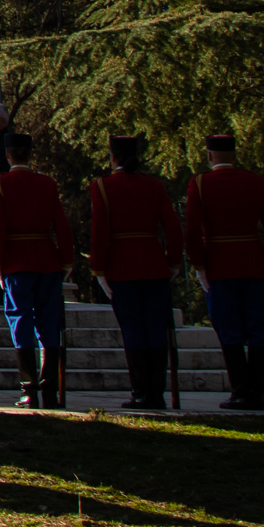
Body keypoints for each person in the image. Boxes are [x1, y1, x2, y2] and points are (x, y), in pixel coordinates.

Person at [183, 131, 264, 412]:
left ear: (209, 155)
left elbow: (192, 230)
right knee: (258, 329)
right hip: (253, 261)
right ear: (235, 154)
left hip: (219, 264)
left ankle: (241, 391)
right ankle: (260, 393)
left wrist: (200, 265)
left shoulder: (200, 184)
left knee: (229, 330)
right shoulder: (255, 181)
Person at [89, 134, 184, 410]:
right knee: (155, 329)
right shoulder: (154, 185)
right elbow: (173, 228)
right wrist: (173, 262)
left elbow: (99, 232)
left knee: (132, 329)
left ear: (112, 157)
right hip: (154, 263)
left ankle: (141, 391)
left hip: (121, 265)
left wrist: (99, 268)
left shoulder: (103, 187)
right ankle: (156, 392)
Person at [0, 130, 75, 408]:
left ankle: (29, 388)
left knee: (20, 321)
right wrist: (66, 260)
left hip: (16, 261)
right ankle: (50, 389)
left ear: (7, 154)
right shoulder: (46, 184)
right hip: (46, 259)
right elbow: (61, 224)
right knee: (49, 323)